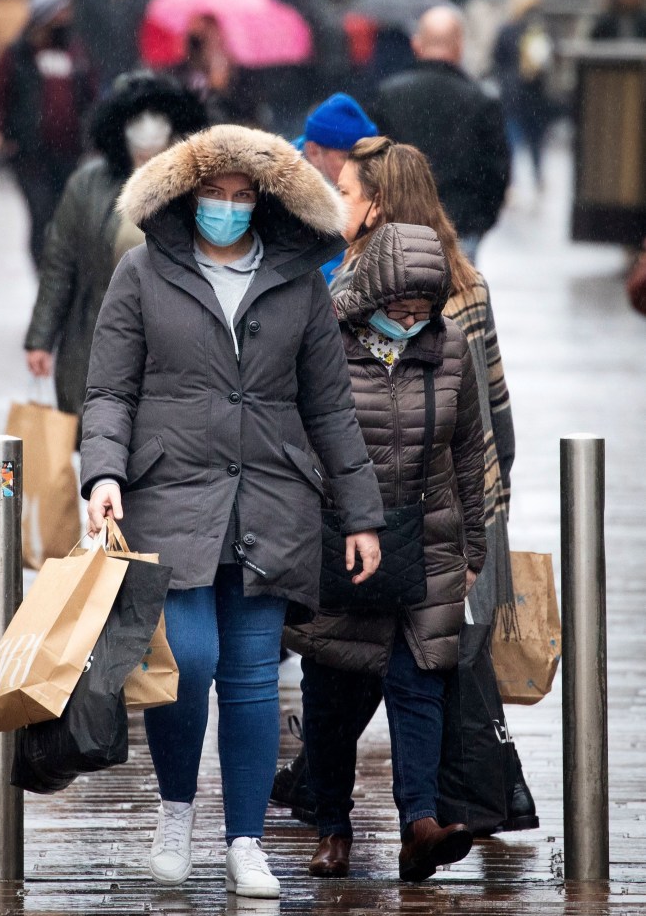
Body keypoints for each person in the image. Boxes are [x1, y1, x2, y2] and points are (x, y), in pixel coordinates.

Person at [80, 124, 385, 898]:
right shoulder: (141, 272)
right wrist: (103, 474)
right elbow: (110, 390)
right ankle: (176, 810)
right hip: (170, 492)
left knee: (252, 676)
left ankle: (245, 838)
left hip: (271, 497)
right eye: (212, 194)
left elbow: (331, 407)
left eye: (241, 195)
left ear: (265, 203)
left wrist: (360, 513)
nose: (225, 207)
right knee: (187, 662)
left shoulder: (299, 283)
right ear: (185, 199)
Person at [280, 136, 537, 868]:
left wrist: (475, 549)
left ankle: (419, 823)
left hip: (427, 538)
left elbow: (470, 445)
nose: (415, 312)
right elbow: (303, 434)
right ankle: (331, 823)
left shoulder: (449, 340)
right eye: (405, 302)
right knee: (331, 693)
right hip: (347, 540)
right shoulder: (328, 329)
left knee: (418, 680)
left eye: (426, 304)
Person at [24, 70, 208, 424]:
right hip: (96, 336)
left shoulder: (195, 188)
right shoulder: (86, 185)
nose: (146, 161)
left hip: (171, 347)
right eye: (140, 155)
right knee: (103, 429)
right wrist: (41, 338)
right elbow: (60, 264)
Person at [374, 5, 510, 262]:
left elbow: (373, 164)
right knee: (458, 299)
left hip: (402, 227)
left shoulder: (389, 96)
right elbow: (497, 172)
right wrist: (480, 221)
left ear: (417, 44)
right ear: (459, 46)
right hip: (460, 226)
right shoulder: (481, 101)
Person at [0, 0, 95, 270]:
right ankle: (43, 275)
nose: (64, 19)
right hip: (29, 154)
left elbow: (90, 95)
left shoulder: (76, 52)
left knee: (64, 216)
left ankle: (61, 274)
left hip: (69, 152)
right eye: (57, 13)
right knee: (40, 212)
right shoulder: (17, 55)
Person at [294, 92, 379, 281]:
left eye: (365, 157)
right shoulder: (280, 194)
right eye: (347, 157)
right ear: (314, 152)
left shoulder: (373, 184)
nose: (360, 168)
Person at [492, 0, 555, 192]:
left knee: (535, 140)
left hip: (534, 94)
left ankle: (536, 178)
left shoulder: (541, 30)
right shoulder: (508, 31)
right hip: (514, 94)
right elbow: (498, 60)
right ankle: (510, 182)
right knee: (511, 141)